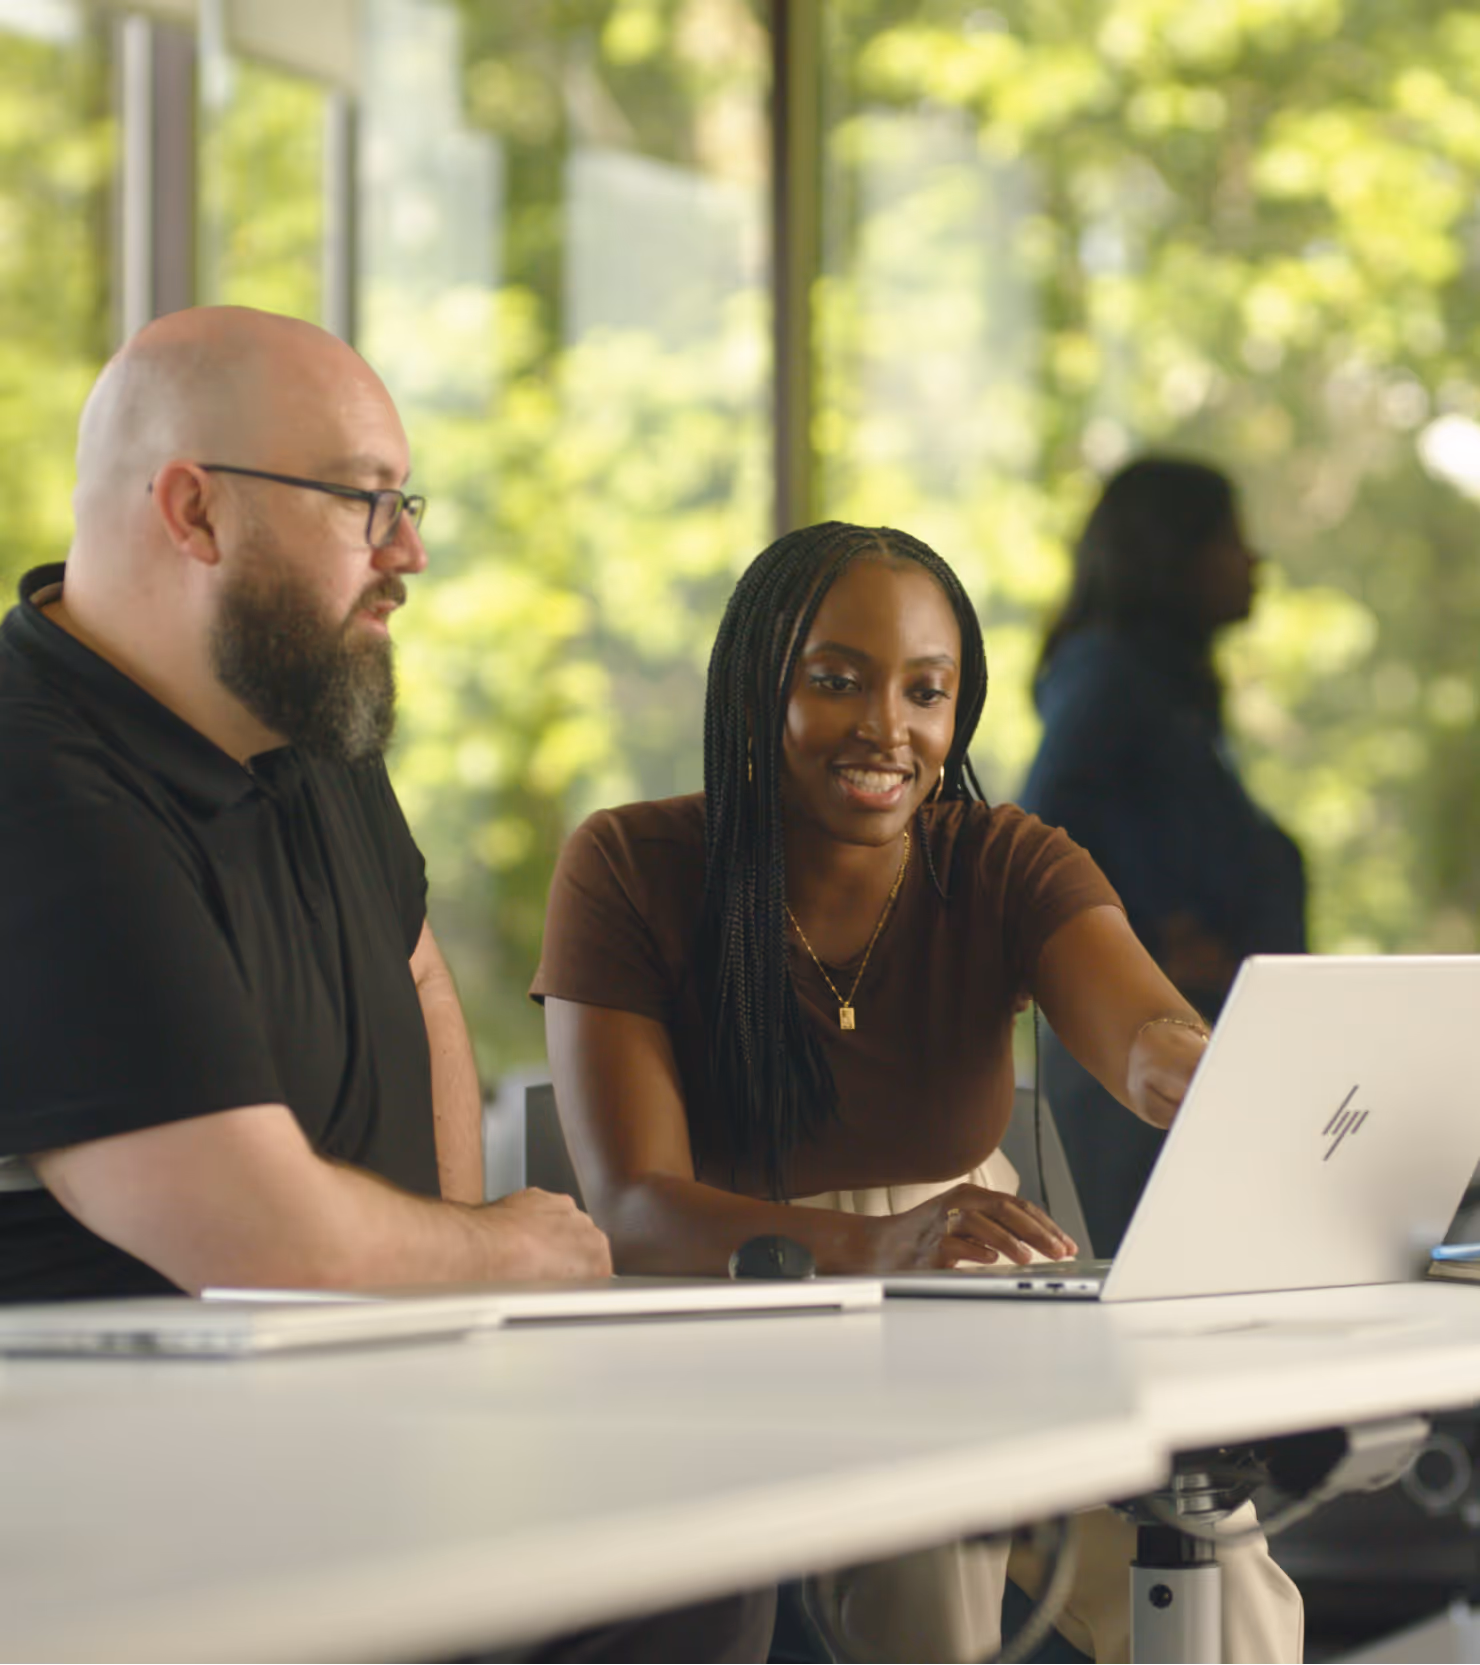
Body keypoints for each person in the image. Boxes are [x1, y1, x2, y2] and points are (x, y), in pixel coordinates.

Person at [0, 305, 774, 1664]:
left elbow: (413, 974)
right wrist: (496, 1253)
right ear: (194, 511)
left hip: (326, 1443)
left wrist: (442, 1280)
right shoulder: (38, 785)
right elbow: (259, 1242)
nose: (408, 552)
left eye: (405, 503)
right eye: (366, 503)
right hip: (120, 1520)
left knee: (707, 1541)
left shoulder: (296, 708)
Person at [533, 520, 1301, 1661]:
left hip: (979, 1295)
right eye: (836, 682)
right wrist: (882, 1247)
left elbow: (1141, 1031)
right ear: (756, 689)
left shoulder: (1003, 860)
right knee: (932, 1527)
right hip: (730, 1309)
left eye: (926, 691)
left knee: (1215, 1544)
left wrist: (1194, 1069)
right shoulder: (631, 865)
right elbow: (635, 1205)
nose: (887, 727)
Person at [1020, 456, 1307, 1256]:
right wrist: (1145, 938)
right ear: (1170, 553)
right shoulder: (1109, 677)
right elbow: (1045, 829)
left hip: (1178, 1048)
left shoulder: (1167, 689)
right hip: (1136, 1057)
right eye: (1230, 541)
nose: (1254, 563)